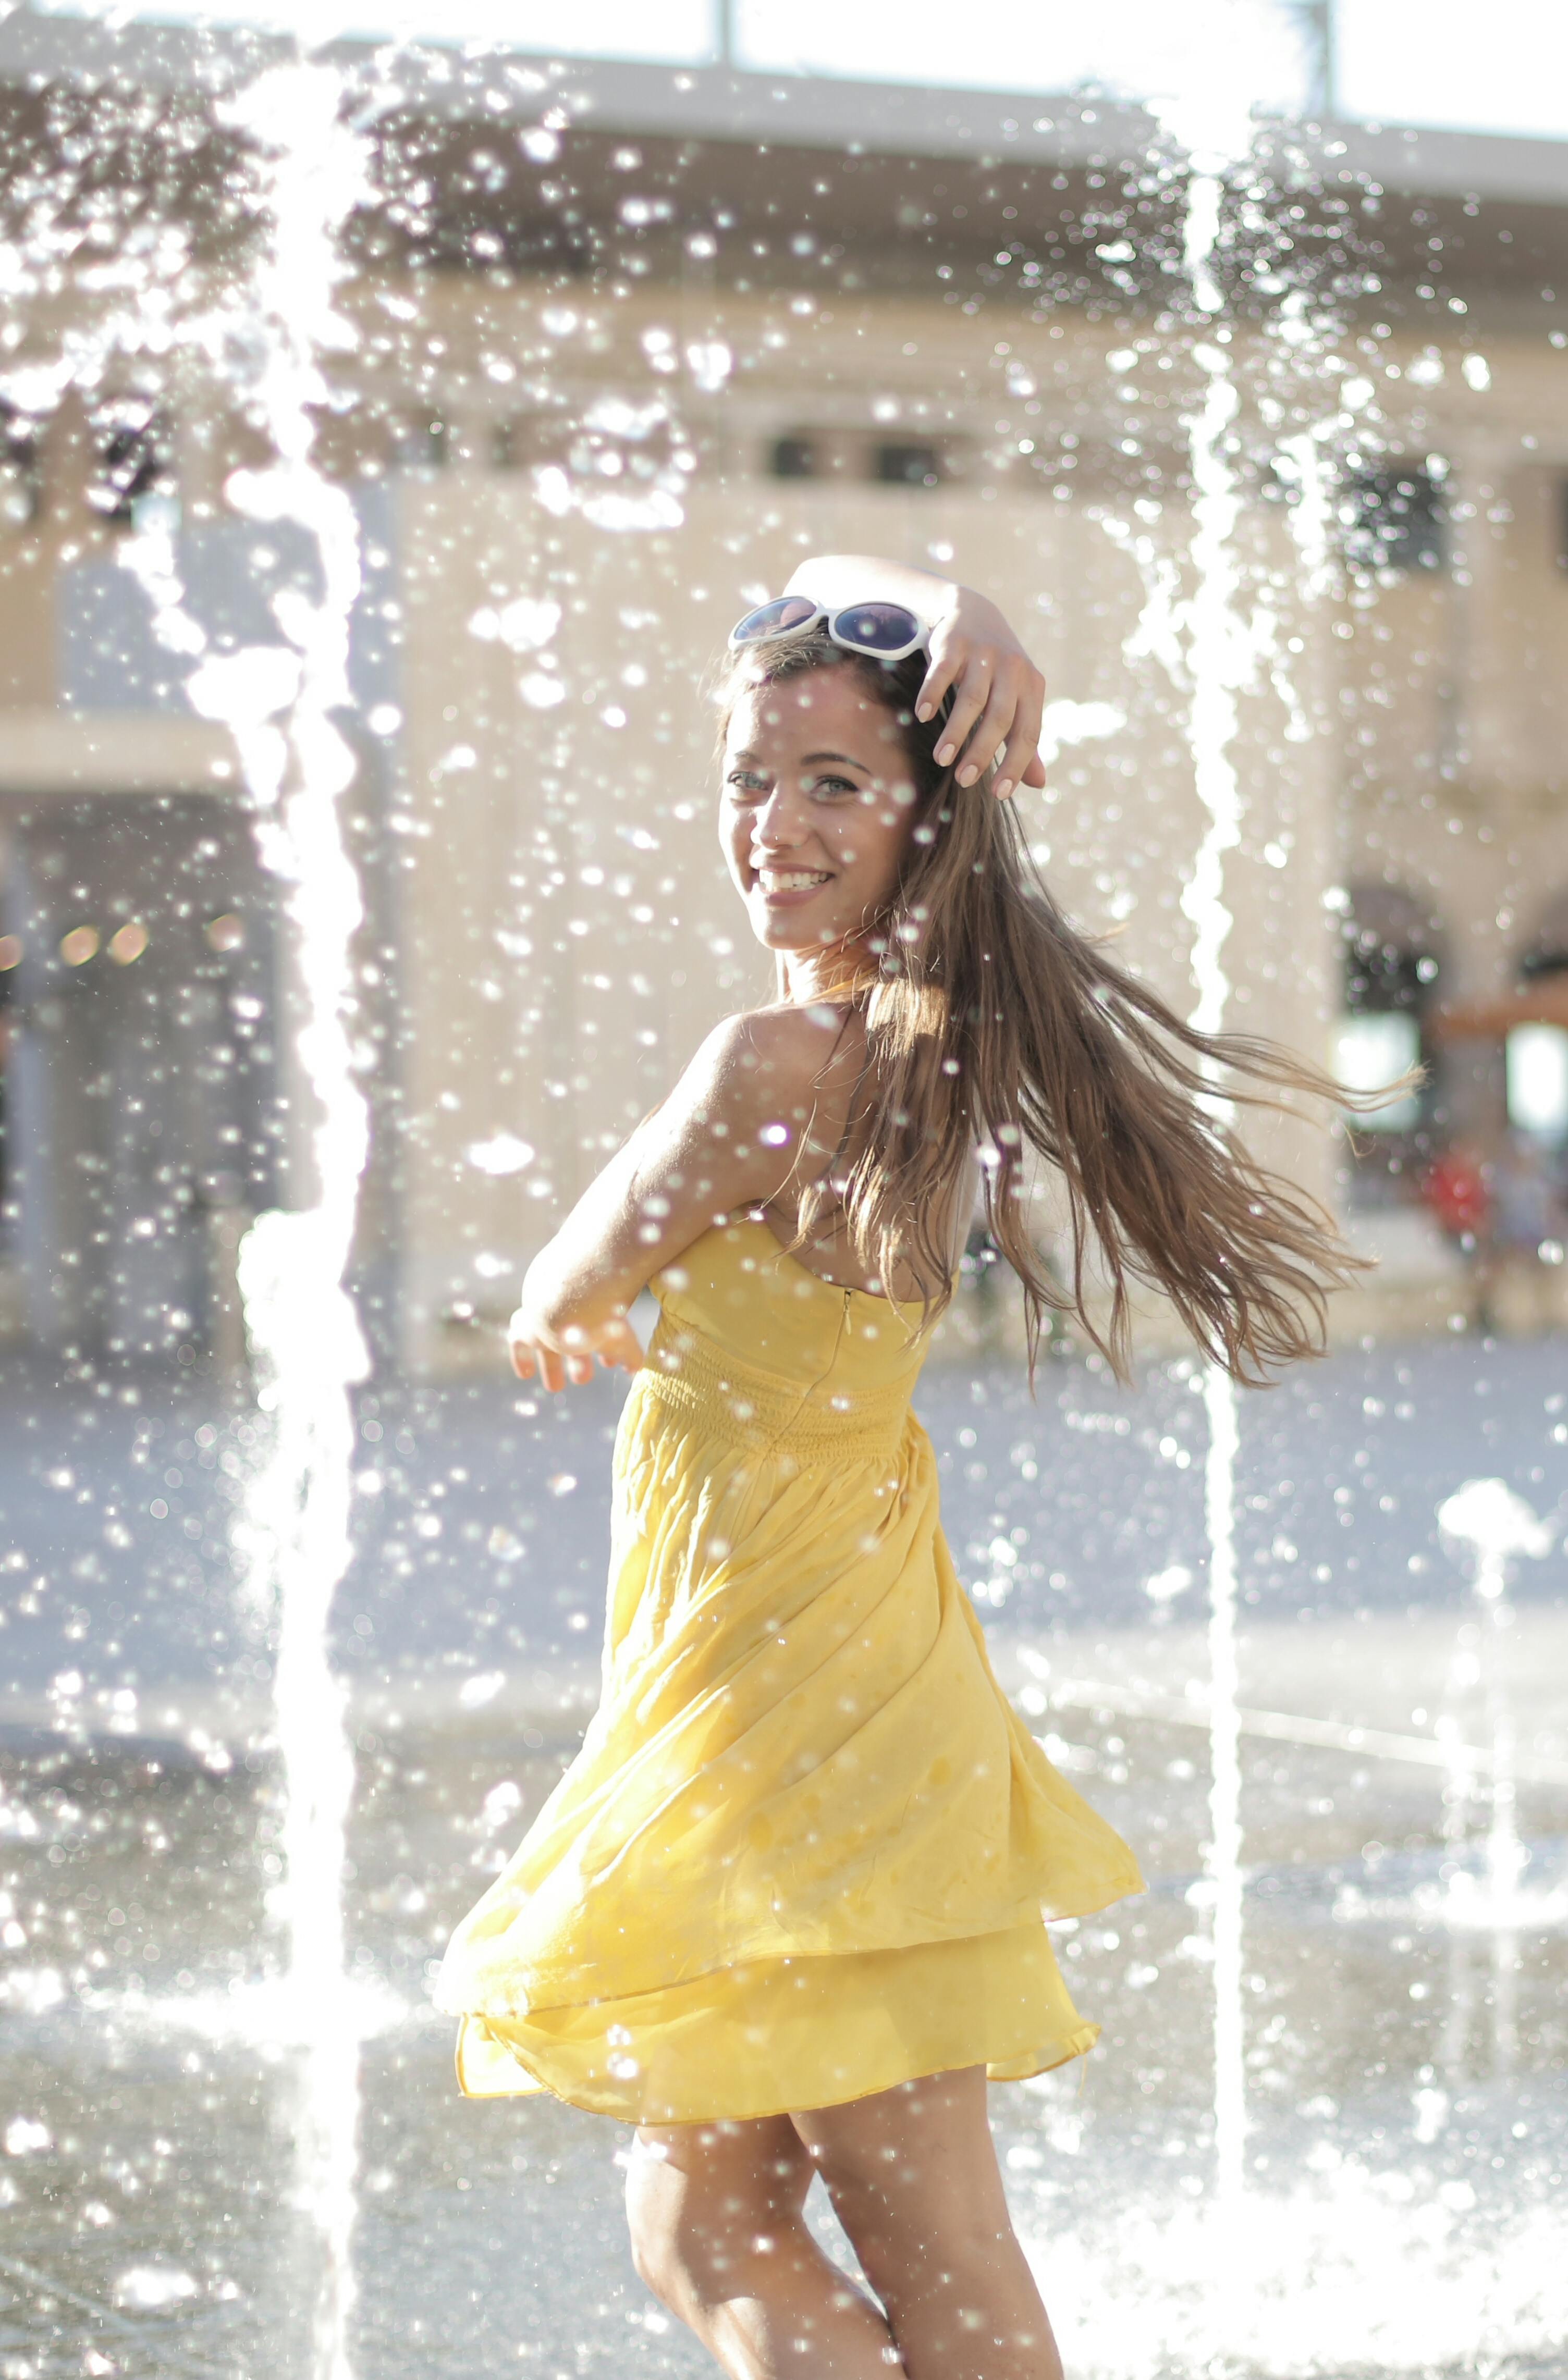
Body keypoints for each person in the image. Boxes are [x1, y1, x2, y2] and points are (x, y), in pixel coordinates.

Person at [435, 556, 1365, 2380]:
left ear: (927, 821)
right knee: (759, 2222)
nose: (771, 823)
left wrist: (584, 1304)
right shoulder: (936, 1056)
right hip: (834, 1676)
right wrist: (955, 599)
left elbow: (561, 1281)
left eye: (835, 784)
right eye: (748, 777)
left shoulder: (769, 1059)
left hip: (794, 1711)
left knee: (860, 2233)